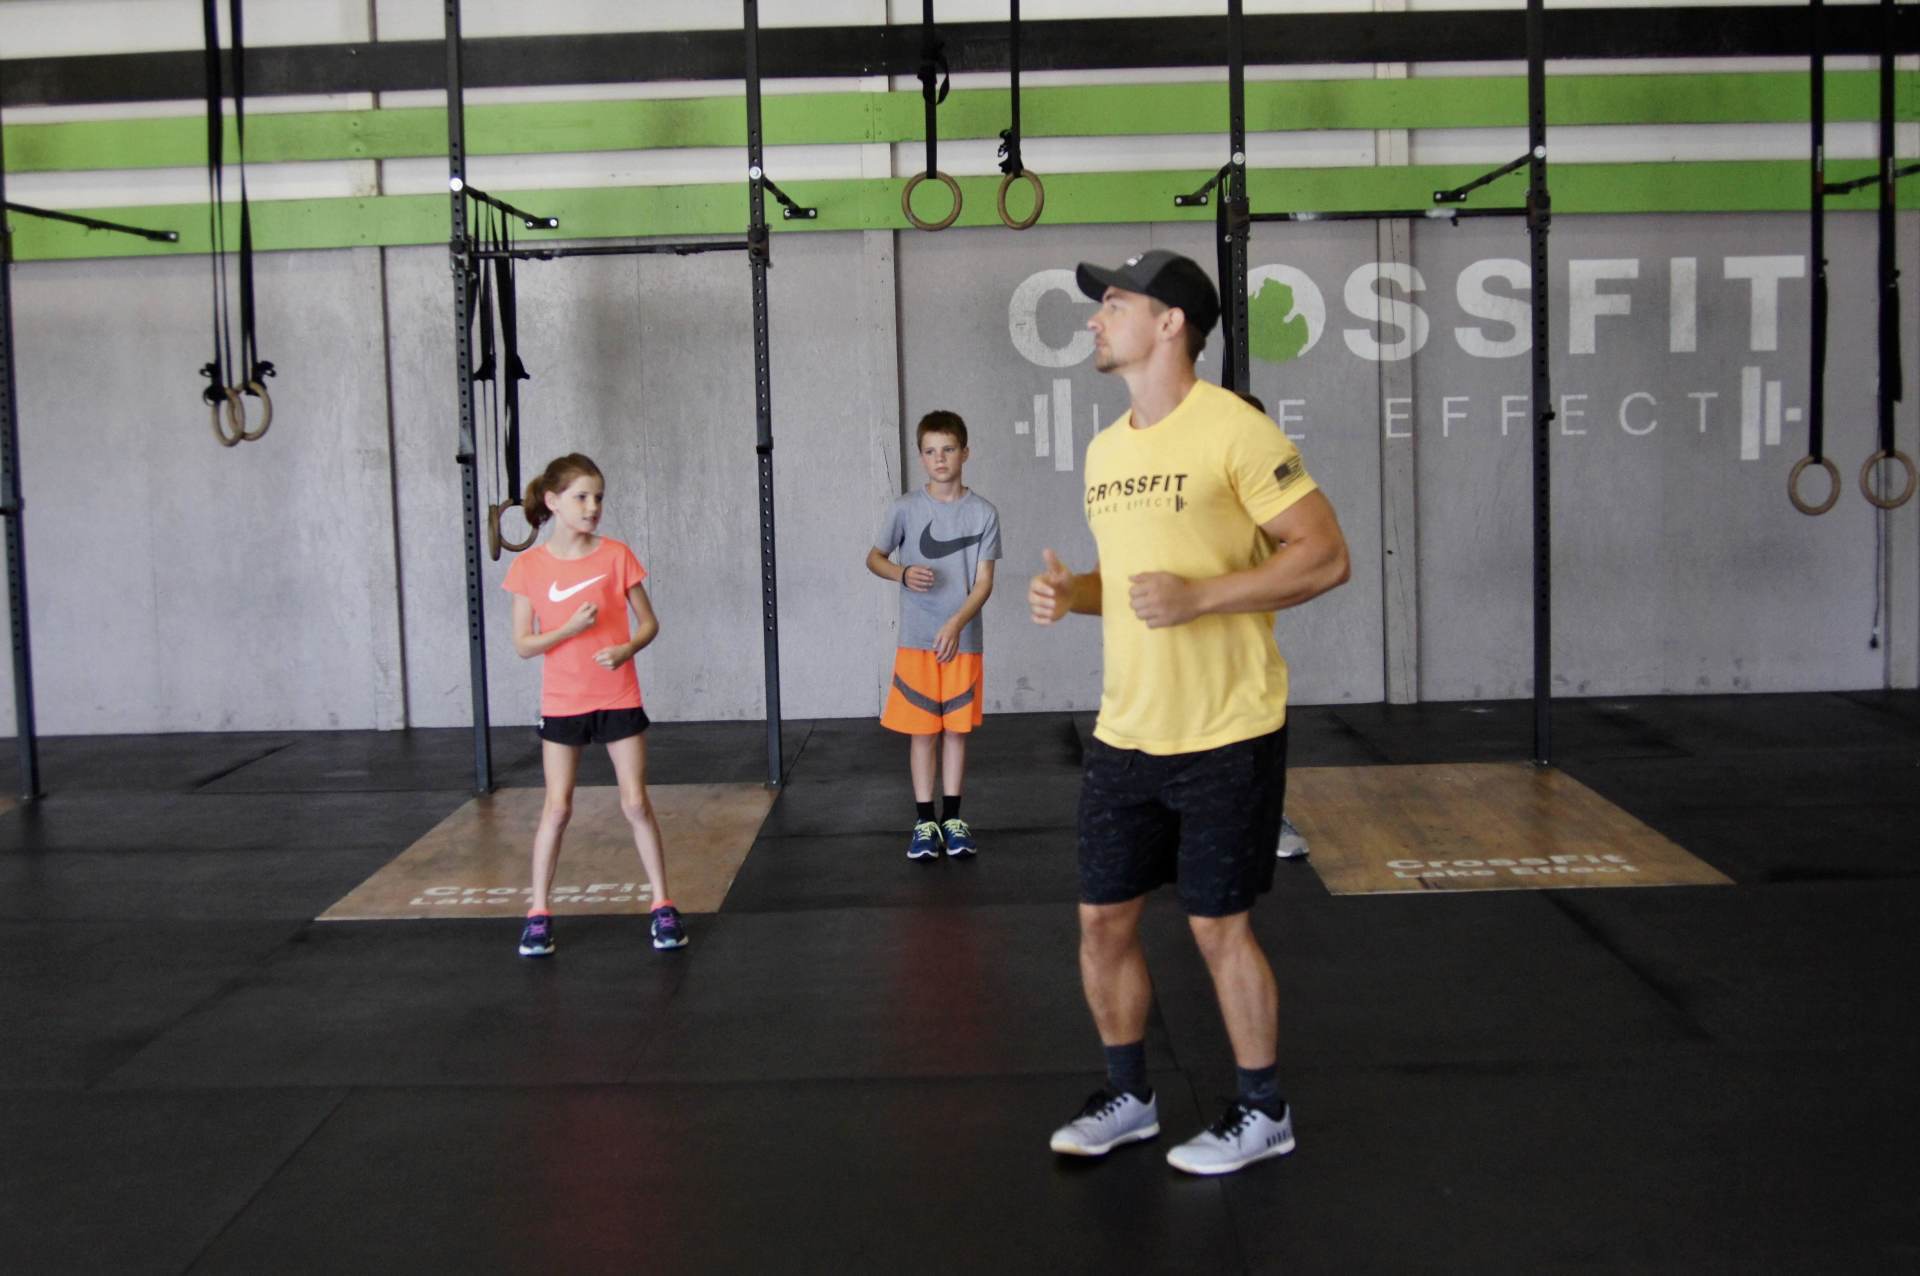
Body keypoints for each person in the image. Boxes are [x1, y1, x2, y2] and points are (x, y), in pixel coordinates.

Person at [1030, 250, 1350, 1175]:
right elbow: (1140, 587)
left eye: (1115, 303)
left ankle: (1263, 1111)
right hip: (1126, 732)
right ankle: (1129, 1096)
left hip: (1227, 731)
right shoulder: (1107, 448)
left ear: (1171, 323)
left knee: (1219, 927)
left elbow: (1325, 556)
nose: (1096, 318)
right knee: (1102, 922)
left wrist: (1205, 598)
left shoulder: (1234, 431)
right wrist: (1075, 594)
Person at [501, 453, 686, 957]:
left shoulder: (616, 555)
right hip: (562, 702)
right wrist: (568, 630)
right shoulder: (528, 566)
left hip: (617, 695)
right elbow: (522, 644)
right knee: (557, 808)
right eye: (582, 497)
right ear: (553, 501)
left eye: (598, 497)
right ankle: (538, 913)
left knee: (634, 802)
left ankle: (662, 904)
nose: (592, 506)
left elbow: (648, 623)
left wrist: (626, 648)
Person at [867, 411, 1002, 860]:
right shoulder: (905, 509)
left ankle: (954, 819)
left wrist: (955, 624)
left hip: (961, 641)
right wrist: (902, 573)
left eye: (948, 449)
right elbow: (875, 558)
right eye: (930, 451)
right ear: (921, 457)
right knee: (922, 732)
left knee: (957, 733)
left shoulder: (983, 513)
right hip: (916, 640)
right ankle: (925, 821)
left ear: (965, 453)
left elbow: (983, 582)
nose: (939, 458)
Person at [1232, 389, 1311, 864]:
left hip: (1248, 638)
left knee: (1259, 724)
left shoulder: (1268, 494)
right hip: (1193, 637)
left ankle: (1269, 815)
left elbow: (1303, 541)